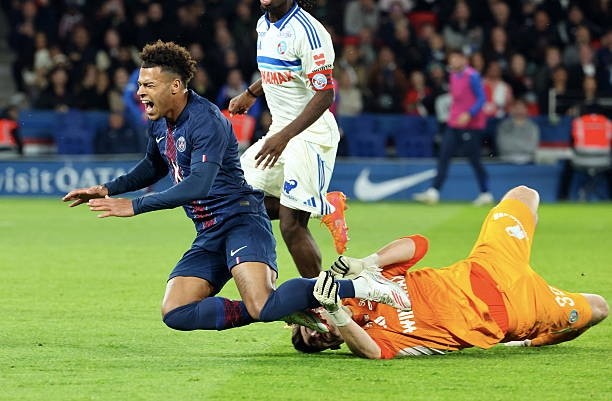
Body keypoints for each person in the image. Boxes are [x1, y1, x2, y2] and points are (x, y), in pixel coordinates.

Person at [61, 40, 405, 335]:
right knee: (175, 312)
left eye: (148, 85)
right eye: (140, 85)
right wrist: (107, 188)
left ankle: (361, 286)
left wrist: (135, 205)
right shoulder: (161, 121)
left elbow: (199, 184)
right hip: (209, 232)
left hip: (241, 221)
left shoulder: (206, 121)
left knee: (262, 304)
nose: (140, 92)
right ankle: (285, 306)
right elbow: (153, 165)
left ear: (175, 86)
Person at [293, 185, 609, 358]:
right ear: (334, 345)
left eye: (311, 330)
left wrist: (368, 262)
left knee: (524, 195)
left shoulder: (365, 282)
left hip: (488, 264)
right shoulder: (373, 336)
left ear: (313, 312)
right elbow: (372, 352)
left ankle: (524, 246)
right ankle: (533, 340)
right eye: (320, 342)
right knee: (598, 308)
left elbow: (418, 245)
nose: (320, 334)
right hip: (517, 311)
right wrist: (337, 314)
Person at [228, 0, 349, 278]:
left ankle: (318, 298)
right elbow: (282, 70)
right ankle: (323, 206)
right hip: (281, 131)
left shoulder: (310, 32)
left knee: (291, 225)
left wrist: (284, 137)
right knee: (236, 199)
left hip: (311, 135)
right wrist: (250, 93)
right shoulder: (264, 24)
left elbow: (325, 95)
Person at [414, 48, 493, 205]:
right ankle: (434, 191)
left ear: (464, 60)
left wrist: (469, 114)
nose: (453, 61)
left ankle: (486, 193)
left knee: (474, 160)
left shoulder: (472, 76)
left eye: (457, 58)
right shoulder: (452, 76)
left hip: (471, 125)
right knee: (444, 156)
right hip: (454, 123)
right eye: (452, 59)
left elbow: (481, 99)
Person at [495, 98, 540, 164]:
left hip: (527, 160)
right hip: (506, 159)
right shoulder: (503, 126)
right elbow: (503, 145)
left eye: (522, 108)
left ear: (526, 110)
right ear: (512, 109)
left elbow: (532, 147)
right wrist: (522, 144)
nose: (519, 111)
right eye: (516, 108)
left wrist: (513, 143)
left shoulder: (533, 127)